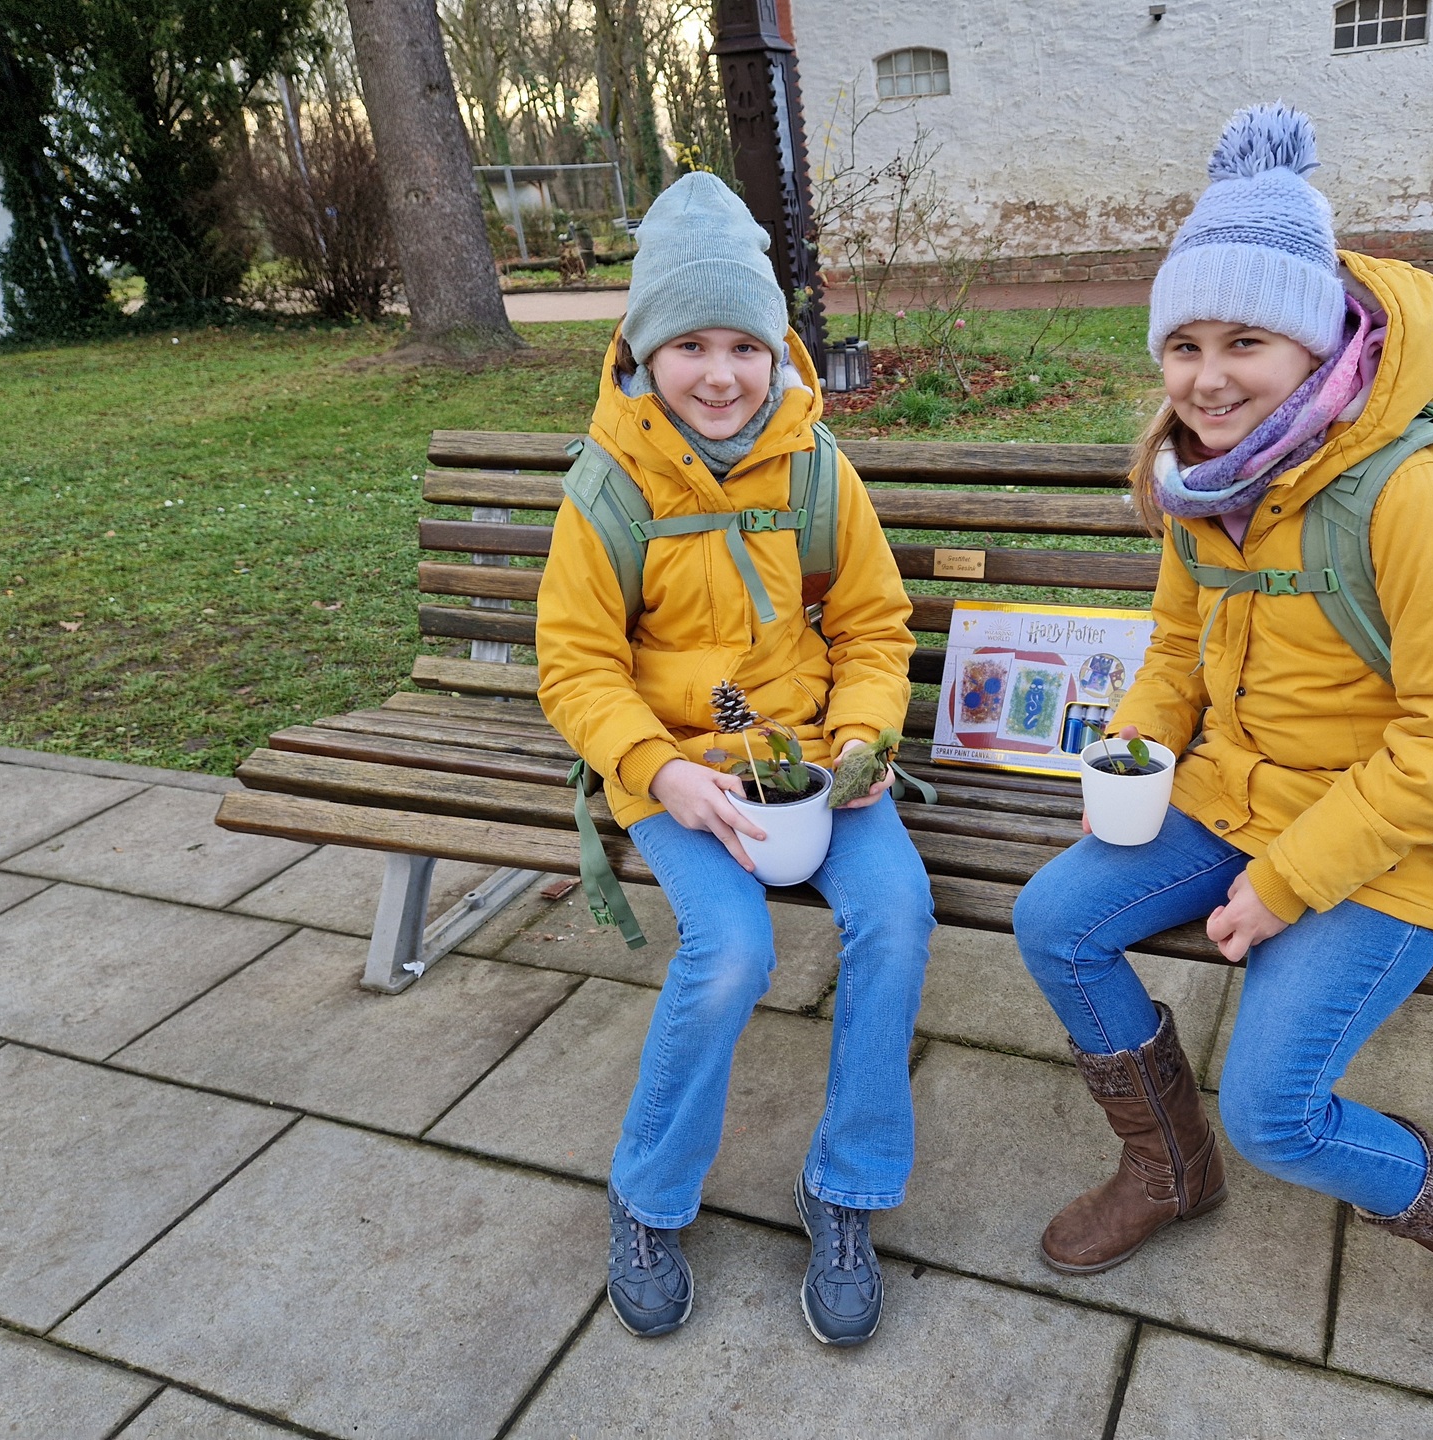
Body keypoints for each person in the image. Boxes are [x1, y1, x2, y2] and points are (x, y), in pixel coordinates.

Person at [1011, 106, 1433, 1424]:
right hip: (1238, 798)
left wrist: (1288, 882)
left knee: (1279, 1111)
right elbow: (1178, 648)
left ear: (1318, 335)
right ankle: (1162, 1165)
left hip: (1403, 841)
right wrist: (1137, 743)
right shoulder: (1201, 478)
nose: (1207, 375)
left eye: (1245, 339)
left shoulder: (1420, 492)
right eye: (1184, 343)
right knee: (1057, 919)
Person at [536, 173, 933, 1347]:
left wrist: (861, 744)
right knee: (731, 952)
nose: (720, 374)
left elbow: (873, 628)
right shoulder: (606, 488)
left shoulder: (817, 470)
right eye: (690, 345)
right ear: (643, 352)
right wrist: (660, 774)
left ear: (779, 349)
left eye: (744, 346)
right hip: (676, 772)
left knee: (900, 915)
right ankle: (649, 1196)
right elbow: (576, 668)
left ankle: (847, 1188)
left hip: (817, 762)